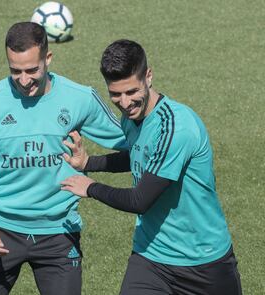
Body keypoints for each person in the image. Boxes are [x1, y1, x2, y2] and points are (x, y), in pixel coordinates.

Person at [61, 39, 242, 295]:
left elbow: (140, 200)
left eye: (131, 91)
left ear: (148, 76)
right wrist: (89, 162)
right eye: (115, 94)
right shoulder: (132, 117)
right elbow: (138, 154)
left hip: (203, 261)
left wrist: (90, 187)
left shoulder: (176, 127)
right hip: (151, 256)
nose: (124, 103)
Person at [0, 22, 127, 295]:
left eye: (32, 70)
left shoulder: (79, 98)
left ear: (48, 58)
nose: (24, 81)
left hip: (59, 233)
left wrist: (90, 163)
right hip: (0, 230)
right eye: (15, 71)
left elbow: (129, 140)